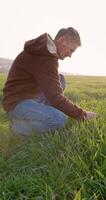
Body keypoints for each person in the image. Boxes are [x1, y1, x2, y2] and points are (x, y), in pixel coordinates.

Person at [2, 27, 96, 135]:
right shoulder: (46, 57)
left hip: (29, 95)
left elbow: (53, 91)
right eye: (71, 50)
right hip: (16, 102)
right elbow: (55, 97)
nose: (70, 55)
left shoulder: (45, 52)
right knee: (60, 120)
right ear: (62, 41)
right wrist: (82, 115)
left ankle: (44, 113)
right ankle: (17, 127)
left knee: (60, 79)